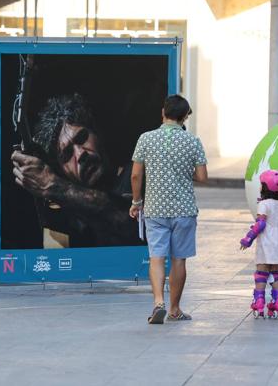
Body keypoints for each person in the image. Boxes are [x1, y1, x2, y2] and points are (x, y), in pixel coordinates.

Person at [11, 93, 142, 247]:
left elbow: (134, 223)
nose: (80, 154)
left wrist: (53, 186)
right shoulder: (71, 221)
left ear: (97, 133)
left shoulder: (140, 173)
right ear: (61, 171)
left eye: (82, 138)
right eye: (67, 154)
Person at [129, 94, 208, 324]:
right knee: (179, 260)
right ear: (184, 118)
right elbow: (202, 176)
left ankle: (158, 303)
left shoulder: (146, 139)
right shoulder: (193, 141)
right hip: (184, 210)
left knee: (156, 258)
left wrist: (136, 202)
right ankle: (175, 308)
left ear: (163, 113)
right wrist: (185, 172)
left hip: (155, 210)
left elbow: (135, 175)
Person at [240, 169, 278, 319]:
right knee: (276, 273)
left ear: (265, 188)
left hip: (266, 243)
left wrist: (248, 239)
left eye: (262, 184)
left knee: (261, 273)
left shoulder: (264, 204)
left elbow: (260, 225)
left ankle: (259, 302)